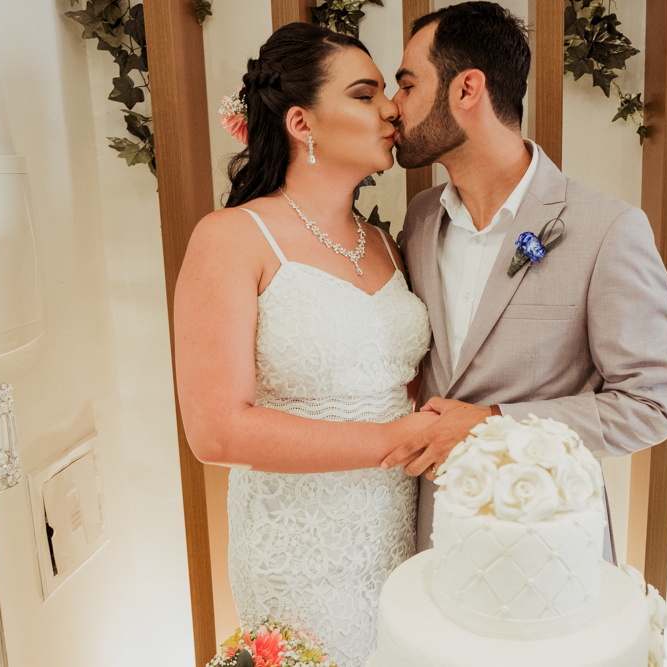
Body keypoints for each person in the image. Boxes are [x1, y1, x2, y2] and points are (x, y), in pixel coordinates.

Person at [381, 2, 667, 557]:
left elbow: (652, 405)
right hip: (432, 537)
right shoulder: (421, 219)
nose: (392, 106)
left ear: (466, 89)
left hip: (546, 548)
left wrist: (493, 424)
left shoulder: (607, 229)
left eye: (406, 85)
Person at [172, 23, 436, 667]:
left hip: (396, 531)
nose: (391, 109)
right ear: (301, 122)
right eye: (364, 94)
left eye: (386, 92)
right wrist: (393, 441)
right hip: (298, 548)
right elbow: (216, 432)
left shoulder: (385, 243)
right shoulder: (231, 237)